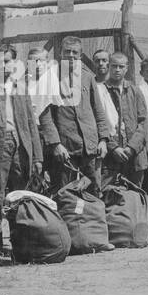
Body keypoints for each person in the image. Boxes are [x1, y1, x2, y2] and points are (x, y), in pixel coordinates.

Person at [0, 45, 45, 258]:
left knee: (20, 195)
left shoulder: (20, 88)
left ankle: (20, 247)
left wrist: (37, 156)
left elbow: (31, 124)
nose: (5, 66)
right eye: (1, 61)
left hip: (20, 145)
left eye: (9, 61)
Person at [40, 36, 112, 189]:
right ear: (60, 53)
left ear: (80, 55)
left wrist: (104, 140)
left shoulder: (88, 77)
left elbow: (98, 110)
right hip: (66, 149)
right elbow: (45, 116)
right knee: (66, 195)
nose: (71, 55)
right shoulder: (50, 77)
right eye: (67, 52)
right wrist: (56, 144)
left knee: (93, 192)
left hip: (90, 147)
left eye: (75, 52)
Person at [101, 52, 148, 187]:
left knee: (135, 195)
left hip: (135, 156)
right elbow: (99, 123)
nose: (117, 70)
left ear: (127, 68)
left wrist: (131, 147)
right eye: (114, 66)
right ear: (108, 67)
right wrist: (113, 147)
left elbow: (144, 122)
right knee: (111, 195)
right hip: (111, 157)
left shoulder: (135, 91)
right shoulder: (101, 91)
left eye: (121, 67)